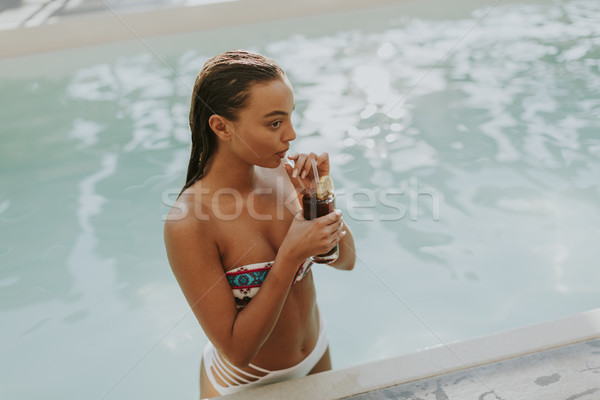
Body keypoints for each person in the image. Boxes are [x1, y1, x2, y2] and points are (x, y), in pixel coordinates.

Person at [164, 49, 355, 398]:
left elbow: (345, 260)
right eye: (274, 123)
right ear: (221, 126)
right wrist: (290, 257)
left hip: (316, 354)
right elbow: (237, 351)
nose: (292, 135)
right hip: (244, 383)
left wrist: (318, 202)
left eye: (290, 117)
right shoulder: (189, 222)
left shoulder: (283, 176)